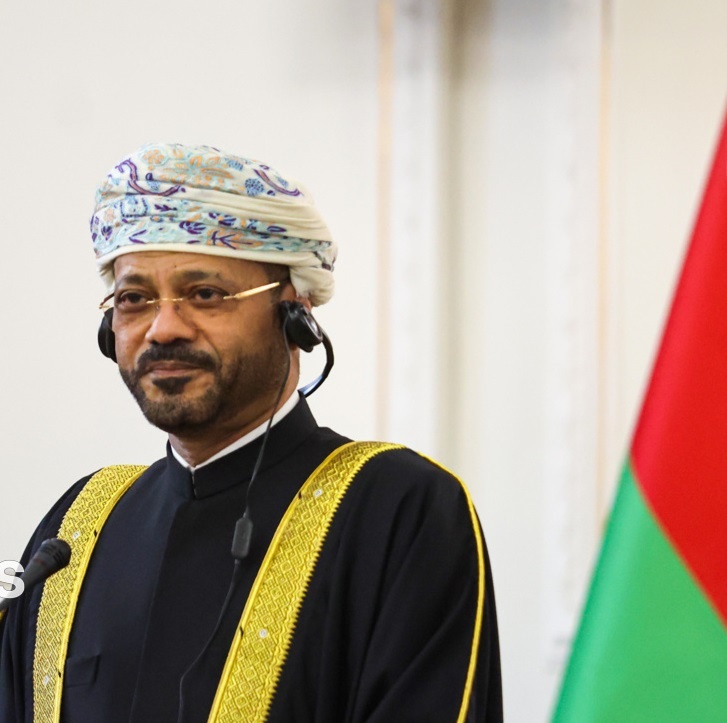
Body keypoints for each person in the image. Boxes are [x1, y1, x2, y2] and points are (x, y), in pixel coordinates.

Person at [0, 142, 502, 722]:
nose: (163, 329)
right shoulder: (77, 529)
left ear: (295, 315)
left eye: (205, 295)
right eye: (135, 299)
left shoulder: (396, 509)